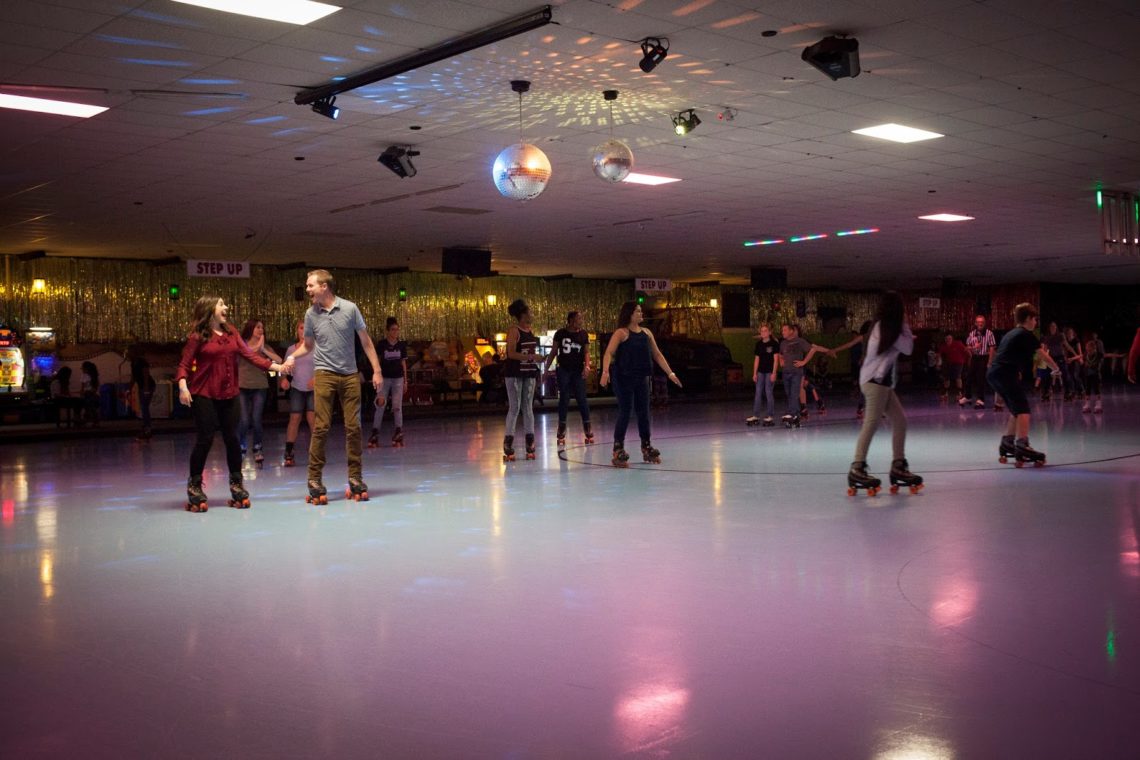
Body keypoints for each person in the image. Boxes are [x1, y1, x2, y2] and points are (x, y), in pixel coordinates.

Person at [281, 269, 382, 504]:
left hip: (349, 375)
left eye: (310, 285)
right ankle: (314, 479)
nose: (307, 290)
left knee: (353, 427)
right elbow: (307, 345)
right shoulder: (310, 314)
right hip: (324, 374)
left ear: (324, 286)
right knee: (321, 427)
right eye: (306, 286)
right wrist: (292, 357)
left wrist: (376, 370)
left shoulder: (349, 308)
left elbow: (366, 341)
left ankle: (355, 478)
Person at [176, 296, 285, 512]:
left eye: (225, 304)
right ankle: (195, 486)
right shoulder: (198, 336)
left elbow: (249, 355)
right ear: (210, 309)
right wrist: (182, 386)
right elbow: (184, 365)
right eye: (221, 304)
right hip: (204, 393)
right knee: (205, 439)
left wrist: (276, 367)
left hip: (229, 393)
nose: (226, 307)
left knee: (233, 439)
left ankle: (236, 484)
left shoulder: (231, 332)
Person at [847, 292, 922, 496]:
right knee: (871, 423)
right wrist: (905, 325)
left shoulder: (882, 327)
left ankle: (898, 465)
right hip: (875, 383)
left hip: (879, 383)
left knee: (900, 421)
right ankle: (857, 466)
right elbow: (907, 348)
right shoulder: (887, 328)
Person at [600, 301, 682, 466]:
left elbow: (657, 354)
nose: (641, 313)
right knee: (626, 411)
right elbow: (609, 352)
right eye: (638, 311)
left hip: (642, 378)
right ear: (630, 315)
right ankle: (618, 447)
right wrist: (605, 372)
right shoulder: (621, 333)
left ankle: (646, 445)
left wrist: (670, 373)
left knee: (644, 412)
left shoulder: (647, 333)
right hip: (623, 378)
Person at [986, 303, 1061, 467]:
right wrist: (1056, 368)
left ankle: (1007, 442)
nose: (1036, 323)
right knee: (1024, 410)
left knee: (1015, 409)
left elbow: (1006, 354)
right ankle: (1022, 445)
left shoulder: (1010, 333)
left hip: (994, 373)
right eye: (1034, 319)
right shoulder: (1027, 334)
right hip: (1005, 373)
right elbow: (1043, 355)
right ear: (1028, 319)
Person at [544, 310, 593, 450]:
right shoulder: (560, 333)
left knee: (582, 398)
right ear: (571, 320)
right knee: (564, 398)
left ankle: (588, 428)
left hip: (578, 370)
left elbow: (586, 352)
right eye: (578, 318)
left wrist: (587, 366)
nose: (580, 321)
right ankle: (561, 429)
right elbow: (554, 351)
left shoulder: (583, 334)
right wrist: (546, 369)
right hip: (564, 369)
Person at [237, 318, 283, 466]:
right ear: (251, 329)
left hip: (259, 386)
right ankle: (242, 446)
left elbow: (280, 360)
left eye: (262, 328)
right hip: (242, 386)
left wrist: (263, 350)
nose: (261, 330)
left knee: (256, 419)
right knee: (244, 420)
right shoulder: (242, 345)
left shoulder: (265, 347)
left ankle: (257, 447)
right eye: (258, 327)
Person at [502, 299, 542, 461]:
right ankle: (508, 442)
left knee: (527, 406)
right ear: (523, 314)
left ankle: (530, 441)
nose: (532, 315)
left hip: (529, 371)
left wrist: (534, 359)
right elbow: (510, 354)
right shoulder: (514, 331)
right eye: (530, 312)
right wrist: (532, 357)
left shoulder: (530, 330)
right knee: (515, 407)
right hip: (514, 372)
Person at [773, 323, 828, 428]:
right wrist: (781, 360)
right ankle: (796, 416)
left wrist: (804, 361)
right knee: (789, 394)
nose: (782, 332)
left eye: (785, 330)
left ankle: (792, 413)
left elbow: (812, 349)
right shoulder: (783, 343)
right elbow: (780, 353)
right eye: (782, 330)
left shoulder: (800, 341)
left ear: (791, 331)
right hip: (786, 372)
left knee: (794, 393)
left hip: (796, 373)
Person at [368, 317, 408, 449]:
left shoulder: (401, 345)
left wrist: (405, 380)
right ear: (387, 331)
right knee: (380, 404)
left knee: (397, 406)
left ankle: (398, 431)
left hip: (398, 378)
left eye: (397, 329)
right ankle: (375, 432)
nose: (395, 332)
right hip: (384, 378)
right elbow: (377, 360)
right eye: (392, 329)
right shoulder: (382, 345)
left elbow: (403, 363)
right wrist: (376, 374)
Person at [281, 319, 315, 467]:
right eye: (301, 328)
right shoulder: (291, 350)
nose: (303, 331)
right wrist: (284, 380)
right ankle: (289, 450)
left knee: (312, 418)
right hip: (297, 387)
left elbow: (324, 367)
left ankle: (316, 451)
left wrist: (316, 378)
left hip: (313, 388)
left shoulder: (316, 347)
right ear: (297, 330)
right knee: (294, 417)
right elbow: (284, 369)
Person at [746, 323, 779, 426]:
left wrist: (774, 373)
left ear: (769, 332)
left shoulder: (774, 344)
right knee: (758, 393)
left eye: (765, 331)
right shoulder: (759, 344)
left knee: (768, 392)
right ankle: (756, 415)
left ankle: (770, 415)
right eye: (762, 331)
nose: (763, 333)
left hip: (769, 372)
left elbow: (776, 360)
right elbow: (757, 359)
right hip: (760, 372)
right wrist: (754, 373)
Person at [961, 314, 996, 409]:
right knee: (969, 377)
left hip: (984, 357)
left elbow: (992, 348)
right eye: (978, 322)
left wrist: (989, 362)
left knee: (981, 378)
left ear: (984, 323)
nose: (980, 324)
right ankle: (968, 396)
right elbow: (966, 347)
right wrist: (973, 348)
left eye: (982, 322)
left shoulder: (989, 333)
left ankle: (981, 400)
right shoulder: (972, 334)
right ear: (975, 323)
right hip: (975, 357)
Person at [1040, 321, 1070, 401]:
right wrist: (1044, 358)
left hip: (1060, 356)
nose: (1053, 328)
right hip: (1051, 357)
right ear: (1049, 328)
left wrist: (1075, 354)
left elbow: (1066, 345)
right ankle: (1046, 393)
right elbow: (1045, 349)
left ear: (1056, 328)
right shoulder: (1047, 337)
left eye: (1054, 327)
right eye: (1051, 327)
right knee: (1046, 375)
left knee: (1064, 373)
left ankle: (1068, 392)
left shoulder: (1060, 335)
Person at [936, 332, 969, 403]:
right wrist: (938, 364)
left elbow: (966, 351)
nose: (948, 340)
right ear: (945, 339)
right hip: (949, 363)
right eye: (947, 339)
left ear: (952, 339)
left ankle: (959, 393)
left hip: (959, 363)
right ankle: (945, 393)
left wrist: (968, 360)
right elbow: (939, 355)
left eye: (950, 338)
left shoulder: (958, 343)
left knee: (957, 377)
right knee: (947, 378)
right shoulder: (943, 346)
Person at [130, 355, 156, 441]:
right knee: (144, 407)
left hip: (148, 385)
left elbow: (146, 374)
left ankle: (147, 429)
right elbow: (133, 377)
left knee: (145, 407)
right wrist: (129, 388)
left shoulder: (141, 362)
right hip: (142, 386)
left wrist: (146, 388)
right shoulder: (133, 363)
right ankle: (146, 427)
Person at [1082, 337, 1104, 413]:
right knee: (1087, 389)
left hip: (1096, 375)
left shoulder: (1098, 355)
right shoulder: (1086, 354)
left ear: (1094, 349)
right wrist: (1072, 359)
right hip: (1088, 375)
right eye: (1087, 350)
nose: (1088, 351)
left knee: (1096, 389)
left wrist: (1119, 356)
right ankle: (1087, 405)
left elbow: (1108, 355)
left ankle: (1098, 405)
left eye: (1090, 350)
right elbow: (1080, 356)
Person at [80, 360, 100, 426]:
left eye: (83, 368)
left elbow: (95, 388)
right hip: (87, 394)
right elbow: (82, 387)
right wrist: (82, 394)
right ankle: (93, 419)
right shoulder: (83, 376)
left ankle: (87, 418)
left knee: (90, 401)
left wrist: (90, 391)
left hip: (92, 394)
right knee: (89, 402)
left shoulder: (94, 376)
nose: (82, 369)